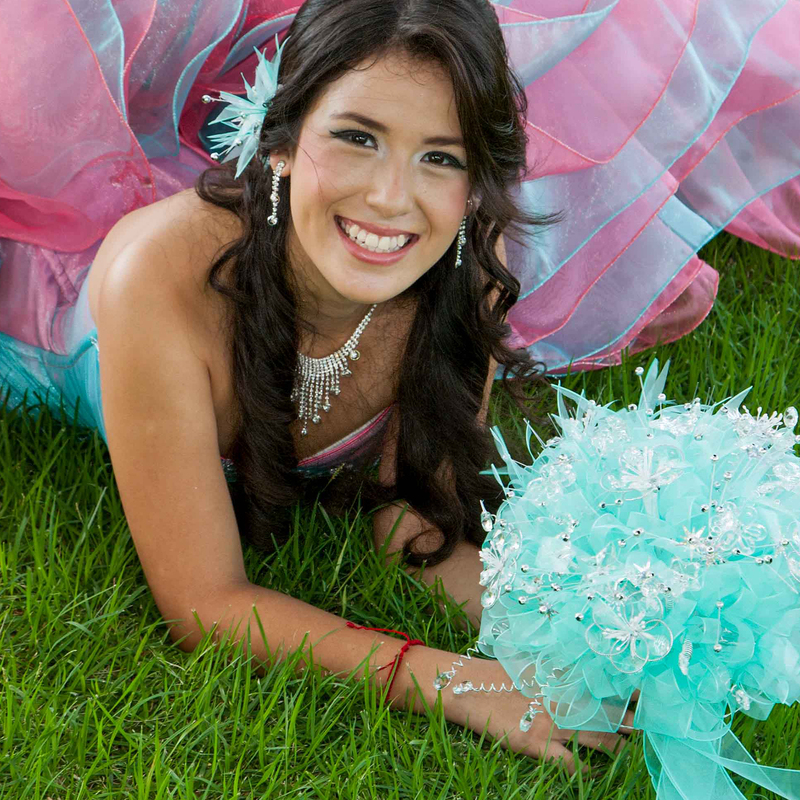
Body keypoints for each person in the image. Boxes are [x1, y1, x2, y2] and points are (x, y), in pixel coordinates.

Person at [1, 0, 797, 777]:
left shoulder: (465, 269)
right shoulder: (159, 278)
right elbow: (206, 601)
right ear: (281, 142)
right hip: (39, 315)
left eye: (440, 157)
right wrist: (455, 682)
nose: (390, 198)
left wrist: (589, 636)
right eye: (356, 138)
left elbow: (409, 522)